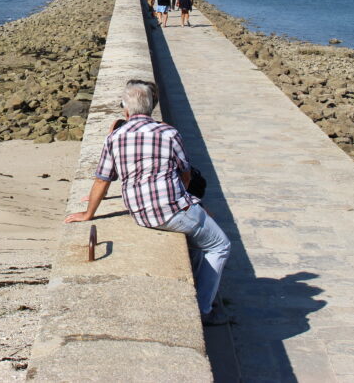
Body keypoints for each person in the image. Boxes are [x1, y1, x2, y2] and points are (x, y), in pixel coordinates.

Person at [65, 80, 231, 326]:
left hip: (140, 212)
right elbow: (185, 174)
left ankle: (198, 285)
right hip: (171, 211)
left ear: (126, 110)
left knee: (201, 233)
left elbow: (102, 180)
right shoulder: (169, 133)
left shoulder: (115, 137)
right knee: (220, 245)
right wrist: (188, 203)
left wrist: (88, 213)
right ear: (152, 107)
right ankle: (204, 309)